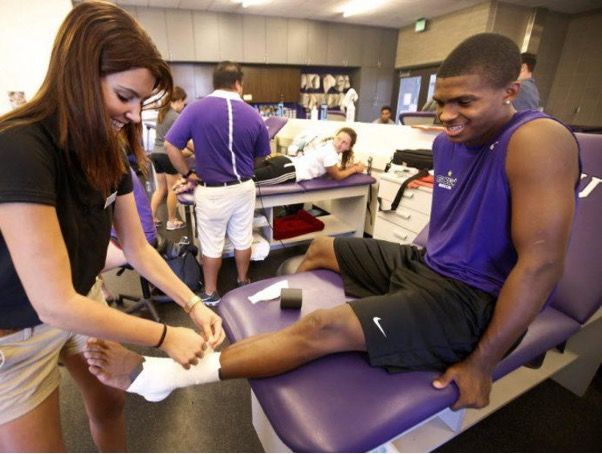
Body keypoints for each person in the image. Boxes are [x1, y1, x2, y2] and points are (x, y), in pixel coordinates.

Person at [84, 32, 580, 412]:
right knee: (320, 248)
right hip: (428, 266)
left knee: (323, 326)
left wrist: (481, 364)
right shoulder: (450, 142)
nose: (447, 116)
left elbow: (540, 266)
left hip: (471, 300)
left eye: (464, 103)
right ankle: (286, 332)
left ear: (512, 90)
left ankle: (168, 376)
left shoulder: (538, 139)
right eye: (442, 101)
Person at [0, 3, 224, 451]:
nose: (136, 114)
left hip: (83, 301)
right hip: (17, 334)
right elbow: (52, 303)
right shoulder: (20, 148)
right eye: (125, 97)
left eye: (141, 101)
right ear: (79, 77)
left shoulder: (105, 146)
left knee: (109, 405)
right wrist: (165, 335)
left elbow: (137, 247)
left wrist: (193, 304)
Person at [165, 61, 271, 305]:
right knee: (243, 237)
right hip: (244, 187)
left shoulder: (195, 110)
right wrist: (245, 168)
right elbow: (262, 156)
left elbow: (171, 145)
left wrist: (187, 175)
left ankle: (211, 292)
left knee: (211, 243)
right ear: (238, 83)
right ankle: (243, 280)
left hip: (212, 191)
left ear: (215, 83)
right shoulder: (254, 114)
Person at [253, 127, 366, 186]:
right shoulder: (330, 153)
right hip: (287, 170)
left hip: (283, 162)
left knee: (243, 176)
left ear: (349, 147)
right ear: (334, 137)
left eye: (344, 143)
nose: (339, 143)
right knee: (247, 182)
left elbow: (332, 168)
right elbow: (337, 176)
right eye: (338, 139)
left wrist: (348, 167)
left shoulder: (327, 145)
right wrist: (355, 169)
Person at [149, 86, 190, 231]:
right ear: (178, 100)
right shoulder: (176, 117)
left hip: (156, 154)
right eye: (183, 102)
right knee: (174, 189)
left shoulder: (162, 113)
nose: (183, 106)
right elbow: (187, 141)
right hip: (166, 155)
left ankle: (151, 219)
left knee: (161, 189)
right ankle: (172, 221)